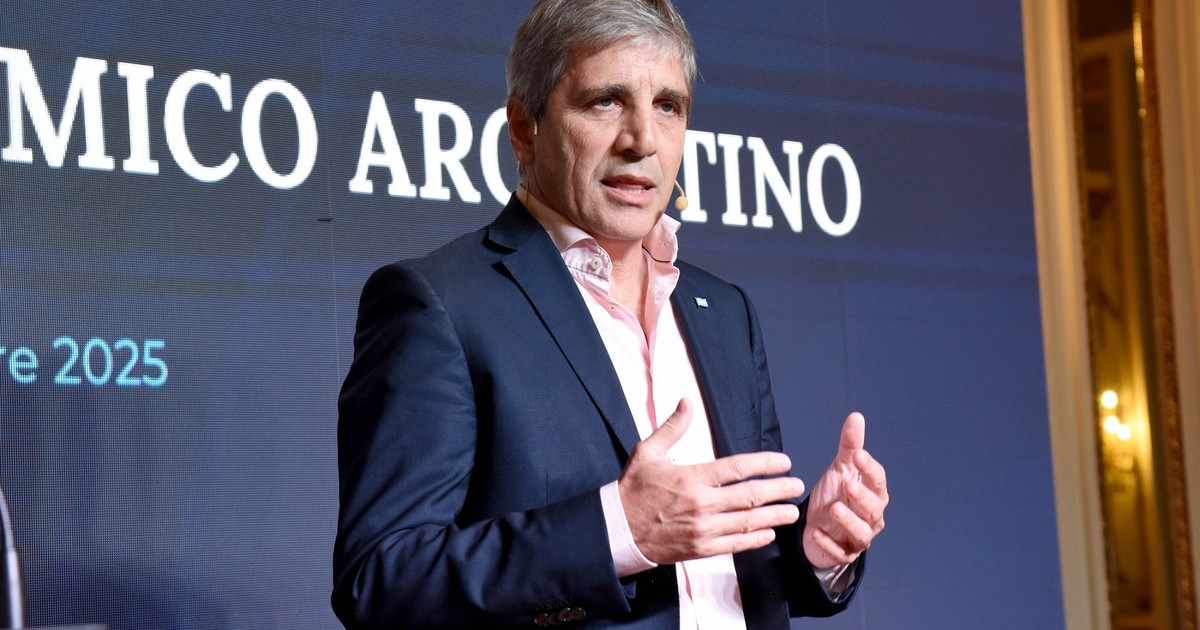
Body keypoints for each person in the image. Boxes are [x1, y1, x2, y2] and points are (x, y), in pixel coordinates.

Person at [332, 0, 889, 627]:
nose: (642, 140)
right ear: (523, 129)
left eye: (668, 106)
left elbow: (736, 571)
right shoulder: (440, 304)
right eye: (605, 101)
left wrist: (815, 549)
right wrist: (618, 531)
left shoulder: (725, 312)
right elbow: (381, 580)